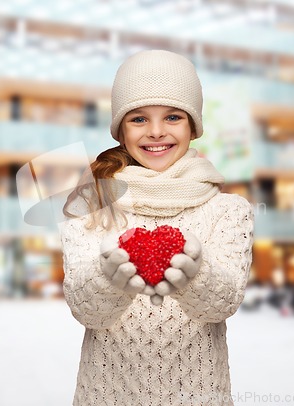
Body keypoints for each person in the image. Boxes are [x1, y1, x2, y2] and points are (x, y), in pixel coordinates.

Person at [61, 50, 254, 406]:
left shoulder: (228, 210)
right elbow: (84, 308)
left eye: (172, 116)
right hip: (106, 396)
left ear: (193, 126)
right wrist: (110, 276)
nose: (155, 132)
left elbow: (222, 304)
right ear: (120, 128)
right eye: (138, 118)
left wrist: (195, 275)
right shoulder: (92, 204)